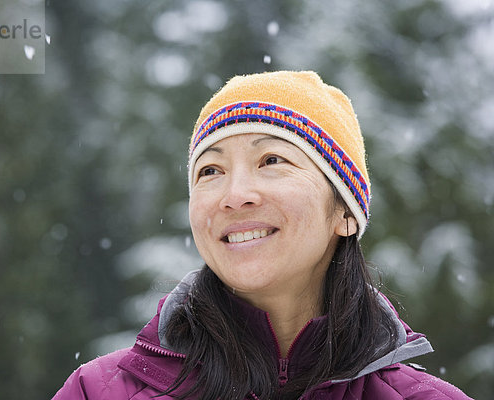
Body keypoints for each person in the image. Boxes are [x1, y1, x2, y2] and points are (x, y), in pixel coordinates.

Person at [52, 71, 472, 399]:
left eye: (271, 159)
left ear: (344, 212)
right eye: (210, 171)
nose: (234, 196)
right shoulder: (97, 392)